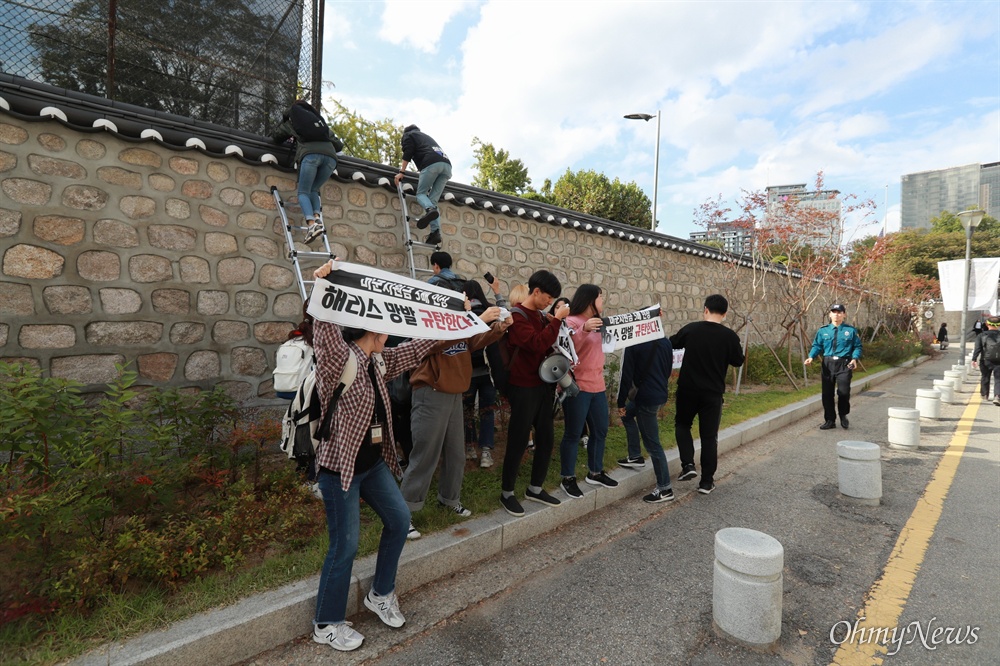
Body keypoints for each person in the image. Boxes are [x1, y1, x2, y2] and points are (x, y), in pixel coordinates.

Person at [308, 259, 439, 652]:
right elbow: (324, 329)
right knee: (344, 546)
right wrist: (322, 284)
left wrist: (460, 321)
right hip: (340, 469)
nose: (389, 328)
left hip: (373, 465)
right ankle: (326, 622)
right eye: (382, 321)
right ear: (368, 326)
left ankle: (380, 595)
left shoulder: (379, 360)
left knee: (399, 522)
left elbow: (417, 349)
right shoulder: (338, 360)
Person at [400, 303, 510, 538]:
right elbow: (436, 345)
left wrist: (498, 329)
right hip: (430, 393)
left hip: (454, 394)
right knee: (424, 456)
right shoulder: (427, 320)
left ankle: (449, 499)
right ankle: (402, 514)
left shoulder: (460, 322)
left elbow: (471, 343)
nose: (465, 302)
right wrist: (475, 320)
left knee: (456, 453)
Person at [499, 270, 570, 516]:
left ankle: (535, 488)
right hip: (522, 387)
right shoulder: (517, 316)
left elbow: (547, 344)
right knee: (518, 440)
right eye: (548, 297)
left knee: (547, 438)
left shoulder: (541, 316)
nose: (550, 303)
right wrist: (557, 320)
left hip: (542, 385)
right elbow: (537, 343)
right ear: (536, 291)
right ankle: (507, 492)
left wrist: (554, 322)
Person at [670, 294, 745, 495]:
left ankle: (688, 465)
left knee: (682, 424)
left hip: (687, 390)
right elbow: (738, 361)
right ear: (725, 314)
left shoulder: (691, 329)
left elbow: (672, 343)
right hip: (712, 394)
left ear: (705, 309)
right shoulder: (730, 337)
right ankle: (706, 482)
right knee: (709, 437)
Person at [557, 285, 617, 499]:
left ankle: (595, 471)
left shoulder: (601, 323)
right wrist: (584, 330)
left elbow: (626, 331)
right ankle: (568, 477)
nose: (603, 301)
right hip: (578, 387)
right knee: (573, 434)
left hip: (598, 386)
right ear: (590, 299)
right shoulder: (571, 322)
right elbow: (567, 351)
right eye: (600, 297)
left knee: (600, 430)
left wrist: (651, 318)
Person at [272, 100, 343, 245]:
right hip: (331, 159)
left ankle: (311, 225)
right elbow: (338, 145)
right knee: (314, 189)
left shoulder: (294, 122)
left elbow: (276, 137)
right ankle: (317, 218)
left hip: (310, 156)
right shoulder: (320, 124)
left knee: (303, 192)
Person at [617, 329, 675, 503]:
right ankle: (635, 456)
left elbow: (625, 376)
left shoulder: (634, 344)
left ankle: (665, 488)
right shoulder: (665, 342)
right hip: (658, 395)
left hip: (645, 399)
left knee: (653, 444)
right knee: (627, 416)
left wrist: (620, 402)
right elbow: (668, 369)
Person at [463, 278, 510, 468]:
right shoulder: (490, 310)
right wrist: (498, 293)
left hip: (466, 373)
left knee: (466, 412)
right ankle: (485, 452)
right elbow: (507, 319)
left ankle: (469, 447)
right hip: (488, 372)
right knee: (487, 412)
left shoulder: (460, 314)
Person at [805, 303, 863, 430]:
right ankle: (830, 420)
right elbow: (817, 346)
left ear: (844, 314)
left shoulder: (850, 331)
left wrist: (854, 359)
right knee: (827, 393)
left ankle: (843, 414)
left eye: (839, 312)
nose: (836, 314)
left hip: (845, 363)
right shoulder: (823, 330)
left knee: (843, 392)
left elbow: (857, 347)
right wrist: (811, 356)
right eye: (834, 312)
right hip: (828, 363)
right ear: (830, 314)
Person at [393, 125, 452, 246]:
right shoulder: (425, 137)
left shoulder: (408, 135)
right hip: (447, 166)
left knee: (421, 194)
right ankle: (435, 233)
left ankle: (429, 210)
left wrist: (401, 172)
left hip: (431, 164)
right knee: (432, 201)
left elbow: (408, 152)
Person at [971, 317, 1000, 405]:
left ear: (987, 324)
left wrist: (974, 359)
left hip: (985, 360)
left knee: (985, 377)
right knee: (998, 379)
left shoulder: (981, 335)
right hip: (999, 360)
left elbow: (978, 348)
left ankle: (984, 394)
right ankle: (997, 396)